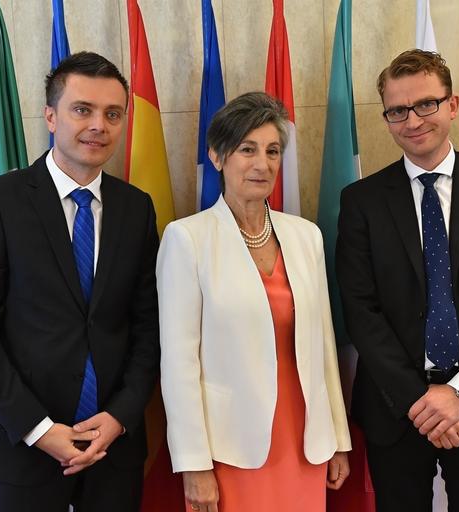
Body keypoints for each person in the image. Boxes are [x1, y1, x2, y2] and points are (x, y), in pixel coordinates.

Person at [0, 51, 160, 512]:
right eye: (82, 110)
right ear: (50, 116)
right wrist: (39, 429)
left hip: (113, 450)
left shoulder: (136, 208)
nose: (98, 125)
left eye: (113, 114)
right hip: (20, 450)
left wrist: (121, 416)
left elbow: (148, 327)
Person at [335, 49, 459, 511]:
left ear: (453, 105)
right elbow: (361, 313)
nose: (413, 121)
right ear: (386, 118)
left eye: (426, 104)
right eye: (398, 110)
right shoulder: (361, 201)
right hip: (397, 408)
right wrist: (422, 402)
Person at [157, 92, 352, 512]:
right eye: (247, 149)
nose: (262, 164)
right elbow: (178, 363)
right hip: (230, 448)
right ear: (217, 156)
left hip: (305, 440)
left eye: (272, 151)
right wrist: (193, 464)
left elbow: (324, 346)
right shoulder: (187, 238)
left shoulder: (306, 236)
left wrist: (338, 437)